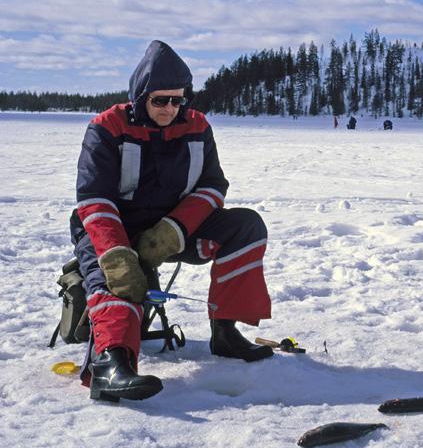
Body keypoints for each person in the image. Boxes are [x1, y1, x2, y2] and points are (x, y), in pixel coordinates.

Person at [71, 40, 273, 403]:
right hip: (115, 228)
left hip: (174, 228)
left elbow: (213, 185)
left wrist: (173, 231)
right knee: (118, 276)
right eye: (160, 100)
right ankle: (111, 364)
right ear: (140, 96)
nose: (169, 109)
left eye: (177, 100)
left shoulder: (197, 126)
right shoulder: (106, 127)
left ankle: (225, 332)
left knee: (247, 227)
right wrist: (118, 253)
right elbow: (94, 199)